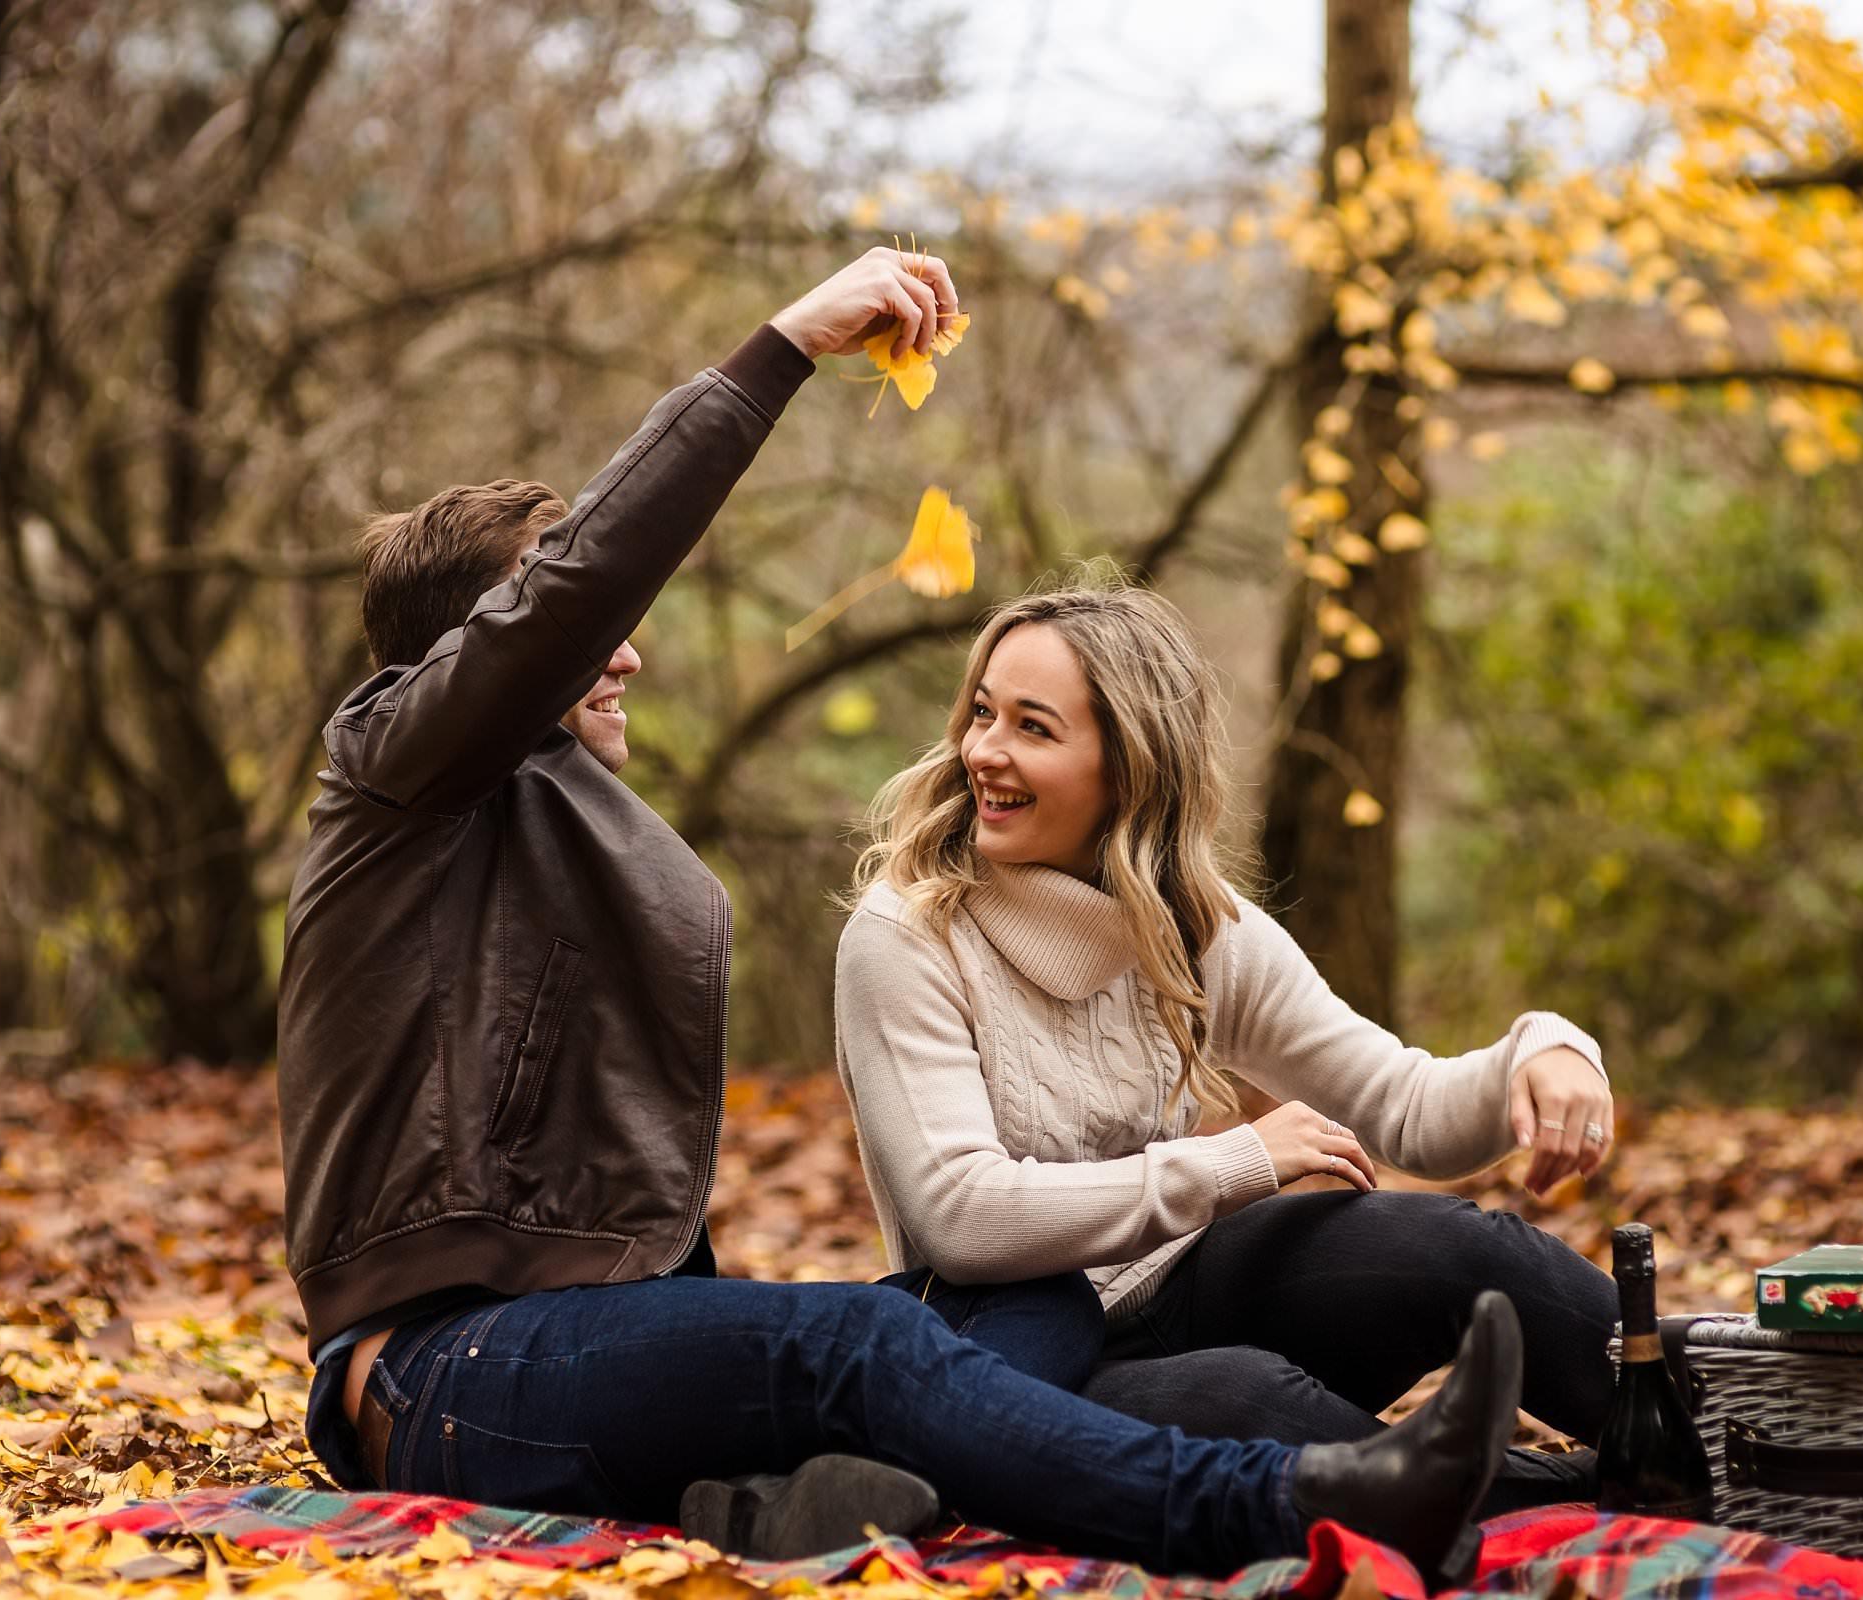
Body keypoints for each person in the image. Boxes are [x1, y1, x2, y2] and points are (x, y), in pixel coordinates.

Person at [274, 248, 1528, 1584]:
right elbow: (579, 592)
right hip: (437, 1371)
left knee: (1006, 1291)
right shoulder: (390, 776)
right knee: (859, 1346)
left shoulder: (547, 818)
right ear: (478, 656)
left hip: (595, 1345)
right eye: (580, 620)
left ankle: (818, 1501)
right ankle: (1284, 1506)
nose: (628, 648)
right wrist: (785, 347)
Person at [833, 575, 1622, 1509]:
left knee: (1457, 1250)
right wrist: (1232, 1163)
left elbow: (1408, 1108)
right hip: (1009, 1356)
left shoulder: (1200, 931)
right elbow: (961, 1218)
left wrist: (1546, 1050)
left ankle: (1731, 1426)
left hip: (1182, 1286)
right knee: (1245, 1400)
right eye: (982, 714)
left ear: (1129, 768)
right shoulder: (904, 936)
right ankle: (1577, 1496)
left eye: (1031, 728)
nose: (983, 753)